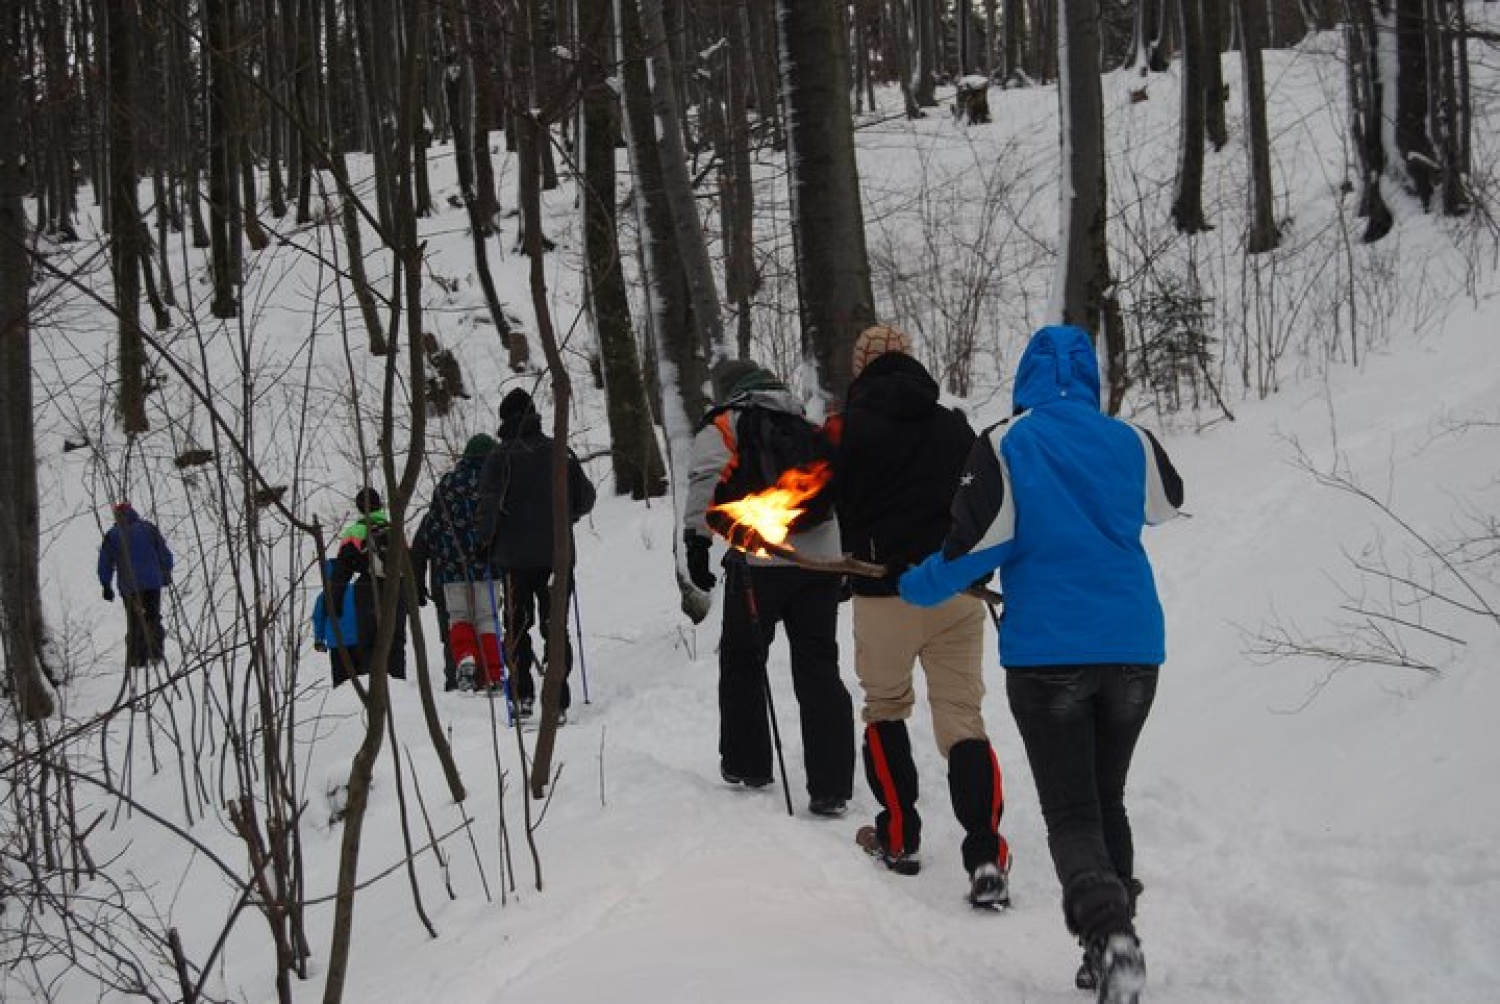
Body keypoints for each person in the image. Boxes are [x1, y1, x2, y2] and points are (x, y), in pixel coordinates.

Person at [898, 324, 1183, 1004]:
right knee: (1106, 798)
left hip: (1050, 654)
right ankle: (1108, 943)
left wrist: (915, 584)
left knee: (1074, 812)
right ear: (1090, 376)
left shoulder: (1006, 442)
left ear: (1026, 377)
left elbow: (975, 550)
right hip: (1133, 648)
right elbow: (1167, 503)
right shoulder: (1132, 439)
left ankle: (1110, 936)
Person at [827, 325, 1012, 905]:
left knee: (885, 708)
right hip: (956, 591)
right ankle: (986, 856)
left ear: (861, 370)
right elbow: (982, 499)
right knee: (963, 719)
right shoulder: (954, 424)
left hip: (883, 593)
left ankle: (899, 837)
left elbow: (821, 504)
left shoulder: (846, 429)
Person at [682, 360, 855, 817]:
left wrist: (696, 542)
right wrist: (840, 561)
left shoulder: (727, 423)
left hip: (758, 559)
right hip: (819, 560)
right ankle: (831, 785)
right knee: (819, 665)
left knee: (743, 659)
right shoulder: (804, 423)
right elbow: (835, 490)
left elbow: (706, 480)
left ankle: (748, 764)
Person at [476, 389, 595, 719]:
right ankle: (557, 699)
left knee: (516, 627)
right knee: (555, 625)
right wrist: (565, 517)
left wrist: (484, 544)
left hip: (513, 559)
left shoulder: (499, 457)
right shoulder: (559, 452)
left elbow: (488, 507)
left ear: (505, 419)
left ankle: (522, 696)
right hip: (556, 556)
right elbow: (585, 499)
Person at [423, 434, 502, 693]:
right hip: (487, 566)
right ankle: (493, 675)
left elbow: (431, 528)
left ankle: (466, 659)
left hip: (452, 568)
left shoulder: (446, 484)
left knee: (459, 617)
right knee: (487, 618)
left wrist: (442, 555)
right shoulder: (495, 483)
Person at [328, 486, 408, 687]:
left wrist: (335, 602)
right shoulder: (395, 529)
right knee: (396, 641)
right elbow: (408, 564)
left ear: (359, 508)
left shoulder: (354, 532)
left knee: (369, 642)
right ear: (379, 505)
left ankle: (375, 688)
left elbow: (341, 571)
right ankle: (399, 685)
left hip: (367, 590)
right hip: (396, 589)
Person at [97, 502, 174, 668]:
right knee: (152, 617)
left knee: (134, 621)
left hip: (129, 587)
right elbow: (164, 552)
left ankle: (137, 658)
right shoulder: (149, 529)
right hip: (152, 584)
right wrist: (166, 572)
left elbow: (105, 561)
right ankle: (156, 654)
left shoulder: (114, 534)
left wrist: (106, 584)